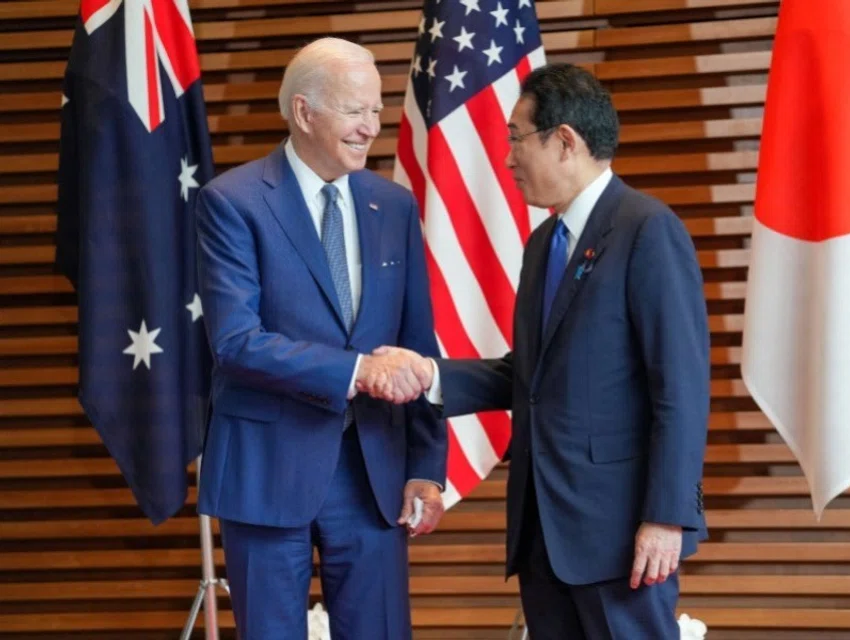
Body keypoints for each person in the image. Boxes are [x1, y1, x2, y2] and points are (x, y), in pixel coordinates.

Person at [374, 63, 710, 638]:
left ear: (564, 142)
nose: (507, 159)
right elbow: (528, 374)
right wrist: (429, 375)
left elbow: (680, 386)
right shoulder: (542, 245)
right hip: (543, 532)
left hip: (621, 534)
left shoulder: (647, 230)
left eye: (514, 139)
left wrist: (666, 516)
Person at [194, 38, 446, 640]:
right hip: (266, 469)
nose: (371, 128)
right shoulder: (233, 202)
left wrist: (427, 468)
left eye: (377, 112)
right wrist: (356, 371)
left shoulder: (395, 206)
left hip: (372, 472)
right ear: (304, 113)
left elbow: (417, 346)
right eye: (355, 111)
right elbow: (236, 341)